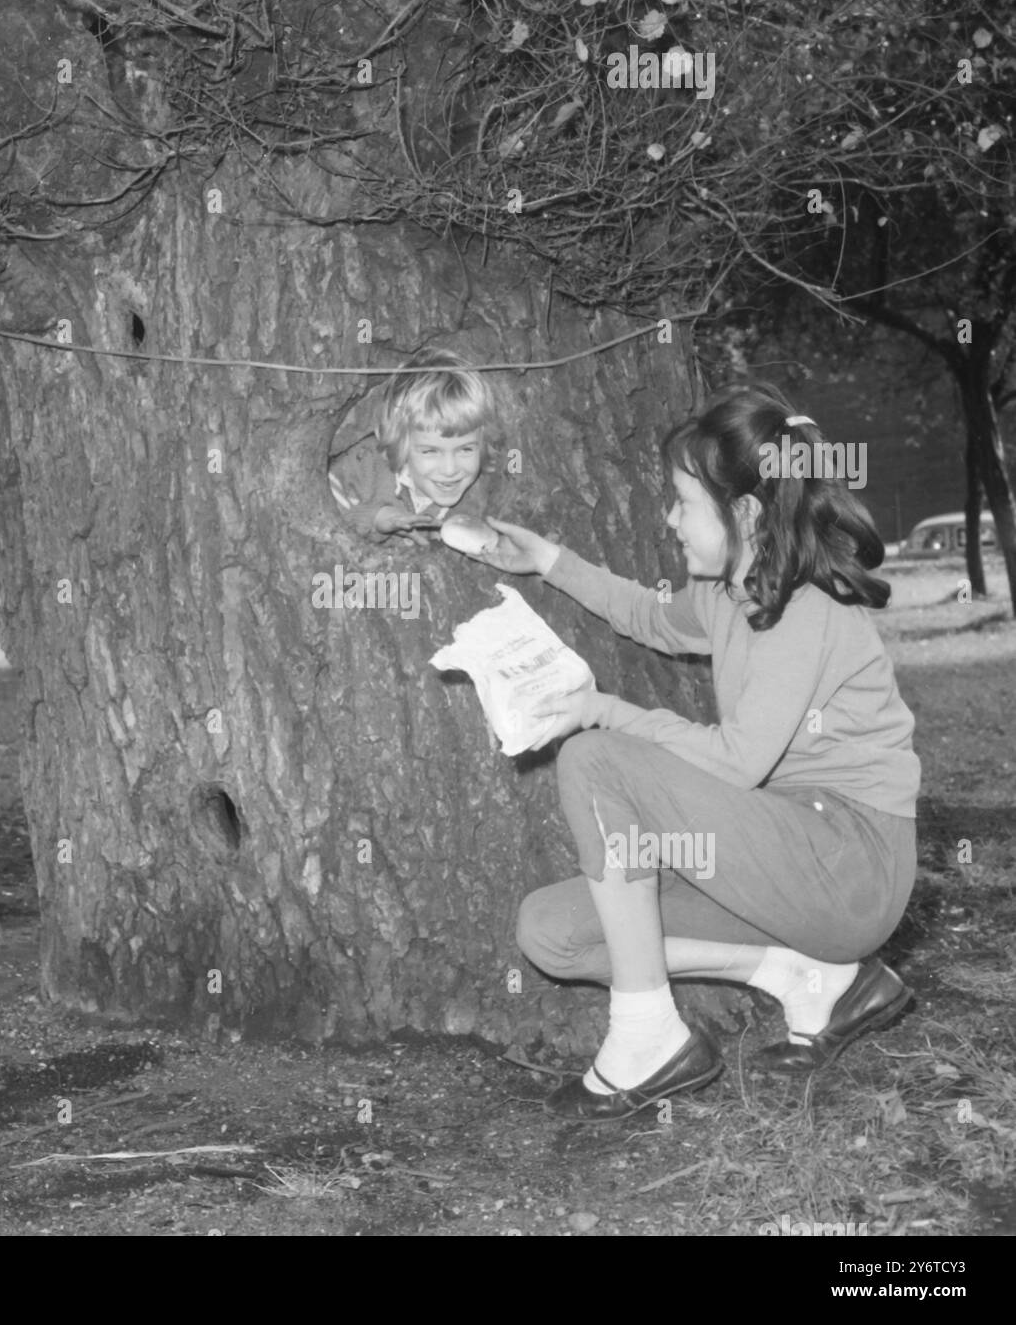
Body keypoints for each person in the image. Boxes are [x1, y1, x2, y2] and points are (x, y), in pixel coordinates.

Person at [480, 384, 919, 1121]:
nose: (669, 517)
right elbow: (648, 616)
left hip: (851, 866)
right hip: (776, 861)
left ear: (743, 513)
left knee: (595, 758)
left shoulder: (808, 608)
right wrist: (548, 559)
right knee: (552, 934)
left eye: (683, 501)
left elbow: (740, 761)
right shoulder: (728, 593)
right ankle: (810, 979)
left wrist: (608, 712)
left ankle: (647, 1034)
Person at [330, 350, 498, 541]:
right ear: (399, 441)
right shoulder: (363, 465)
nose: (450, 470)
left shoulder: (484, 496)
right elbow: (315, 514)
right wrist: (375, 518)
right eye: (430, 451)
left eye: (466, 449)